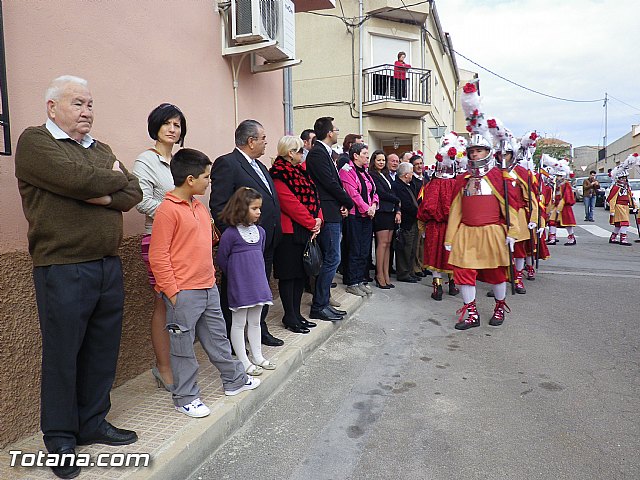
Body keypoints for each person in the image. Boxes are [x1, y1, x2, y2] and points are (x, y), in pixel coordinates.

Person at [14, 75, 142, 479]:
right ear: (52, 107)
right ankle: (60, 438)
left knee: (101, 350)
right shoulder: (35, 143)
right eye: (77, 103)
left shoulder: (99, 147)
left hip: (106, 263)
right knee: (63, 353)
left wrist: (105, 189)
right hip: (62, 265)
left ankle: (92, 422)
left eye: (90, 104)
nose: (87, 111)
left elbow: (134, 192)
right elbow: (76, 179)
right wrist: (111, 180)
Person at [150, 149, 260, 419]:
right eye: (206, 177)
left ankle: (233, 380)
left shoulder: (198, 206)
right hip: (183, 293)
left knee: (218, 339)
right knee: (183, 348)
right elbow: (158, 255)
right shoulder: (167, 210)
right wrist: (173, 292)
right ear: (190, 179)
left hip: (207, 286)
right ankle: (185, 397)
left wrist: (211, 279)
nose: (209, 181)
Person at [446, 83, 518, 330]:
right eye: (472, 151)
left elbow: (512, 208)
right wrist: (450, 236)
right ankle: (472, 313)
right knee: (464, 272)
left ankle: (499, 307)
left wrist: (513, 233)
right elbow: (456, 210)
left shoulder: (500, 177)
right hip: (467, 232)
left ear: (487, 151)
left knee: (496, 274)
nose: (475, 154)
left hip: (492, 232)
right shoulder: (463, 180)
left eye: (479, 150)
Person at [209, 119, 284, 347]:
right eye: (263, 139)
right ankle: (234, 340)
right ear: (251, 141)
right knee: (236, 292)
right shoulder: (228, 164)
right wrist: (236, 237)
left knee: (260, 289)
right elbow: (219, 204)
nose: (265, 143)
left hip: (265, 240)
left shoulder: (260, 167)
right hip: (241, 246)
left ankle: (259, 330)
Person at [133, 103, 187, 392]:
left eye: (177, 125)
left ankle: (179, 363)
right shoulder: (146, 160)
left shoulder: (180, 161)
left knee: (183, 304)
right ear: (155, 126)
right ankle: (163, 368)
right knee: (164, 304)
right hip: (158, 239)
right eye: (167, 123)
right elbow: (140, 199)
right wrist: (176, 214)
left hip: (185, 241)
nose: (172, 129)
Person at [217, 187, 278, 375]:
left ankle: (257, 356)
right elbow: (222, 259)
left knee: (255, 321)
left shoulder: (260, 232)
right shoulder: (231, 234)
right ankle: (243, 360)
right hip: (240, 286)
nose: (259, 212)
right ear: (241, 209)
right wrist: (236, 277)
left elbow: (258, 256)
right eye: (254, 208)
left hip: (258, 284)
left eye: (259, 208)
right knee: (238, 322)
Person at [269, 136, 322, 333]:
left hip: (305, 231)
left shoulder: (301, 171)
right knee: (289, 276)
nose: (303, 153)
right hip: (289, 233)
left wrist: (318, 220)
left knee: (300, 276)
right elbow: (290, 204)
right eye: (300, 150)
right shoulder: (279, 174)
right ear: (290, 153)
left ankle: (297, 315)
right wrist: (312, 223)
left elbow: (314, 198)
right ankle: (289, 317)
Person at [305, 116, 354, 321]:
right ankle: (319, 305)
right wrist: (348, 201)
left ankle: (323, 302)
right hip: (326, 211)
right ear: (329, 133)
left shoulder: (325, 153)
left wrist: (340, 203)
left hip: (332, 209)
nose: (338, 131)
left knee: (332, 258)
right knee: (333, 258)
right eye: (336, 129)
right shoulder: (317, 153)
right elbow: (329, 184)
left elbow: (334, 184)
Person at [417, 139, 463, 300]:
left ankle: (437, 287)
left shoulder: (431, 185)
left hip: (434, 227)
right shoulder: (457, 184)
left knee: (434, 255)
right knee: (450, 255)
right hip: (452, 227)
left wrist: (422, 224)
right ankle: (452, 284)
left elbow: (426, 207)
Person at [339, 143, 378, 296]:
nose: (368, 157)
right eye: (365, 154)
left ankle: (360, 279)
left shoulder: (365, 172)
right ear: (355, 155)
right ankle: (352, 282)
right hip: (355, 215)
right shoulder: (346, 171)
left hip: (367, 215)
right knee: (354, 249)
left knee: (364, 250)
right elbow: (352, 193)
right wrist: (366, 208)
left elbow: (374, 191)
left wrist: (374, 205)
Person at [369, 150, 400, 288]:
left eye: (383, 160)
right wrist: (397, 200)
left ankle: (386, 274)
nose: (381, 162)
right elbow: (381, 193)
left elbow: (392, 190)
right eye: (378, 160)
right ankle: (379, 275)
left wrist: (396, 204)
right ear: (373, 161)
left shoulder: (386, 175)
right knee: (381, 244)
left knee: (388, 244)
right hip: (381, 212)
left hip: (390, 211)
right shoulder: (372, 175)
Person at [392, 162, 421, 283]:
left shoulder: (408, 185)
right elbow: (405, 205)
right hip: (406, 221)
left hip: (412, 220)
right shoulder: (398, 186)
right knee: (405, 248)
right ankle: (403, 273)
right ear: (405, 174)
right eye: (411, 173)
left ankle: (410, 271)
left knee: (412, 248)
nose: (412, 176)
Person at [544, 158, 577, 246]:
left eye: (559, 176)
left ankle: (572, 238)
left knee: (567, 223)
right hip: (556, 205)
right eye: (557, 176)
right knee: (552, 221)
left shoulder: (566, 184)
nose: (557, 177)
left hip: (564, 207)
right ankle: (552, 238)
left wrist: (559, 207)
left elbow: (566, 197)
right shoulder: (557, 184)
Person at [607, 165, 636, 246]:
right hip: (619, 206)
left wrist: (634, 206)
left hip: (625, 207)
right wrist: (612, 210)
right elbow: (612, 199)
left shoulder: (627, 187)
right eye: (622, 178)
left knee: (618, 224)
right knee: (624, 223)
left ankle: (613, 237)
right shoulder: (616, 187)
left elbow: (630, 197)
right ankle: (623, 239)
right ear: (618, 179)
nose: (624, 179)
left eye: (625, 178)